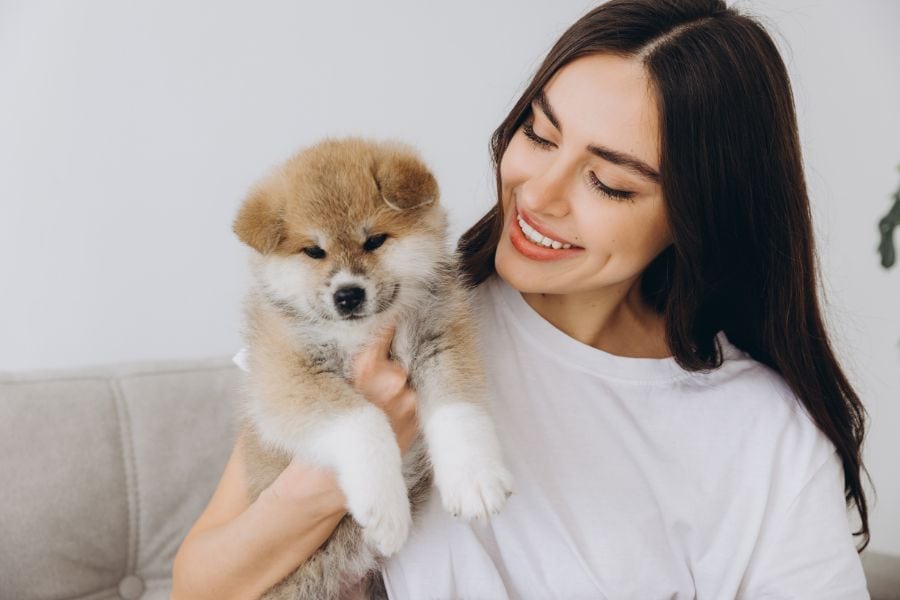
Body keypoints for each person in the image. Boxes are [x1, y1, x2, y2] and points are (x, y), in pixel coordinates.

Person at [172, 0, 872, 598]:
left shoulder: (764, 436)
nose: (537, 194)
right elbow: (199, 585)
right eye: (538, 133)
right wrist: (344, 466)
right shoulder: (382, 319)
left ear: (697, 216)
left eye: (609, 183)